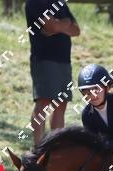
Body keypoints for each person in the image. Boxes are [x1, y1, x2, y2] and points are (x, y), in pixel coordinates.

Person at [25, 0, 80, 146]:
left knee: (61, 104)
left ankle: (56, 147)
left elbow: (76, 30)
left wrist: (58, 24)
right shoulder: (35, 3)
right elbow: (51, 26)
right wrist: (65, 23)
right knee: (44, 102)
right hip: (44, 59)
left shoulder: (60, 3)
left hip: (64, 60)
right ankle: (38, 147)